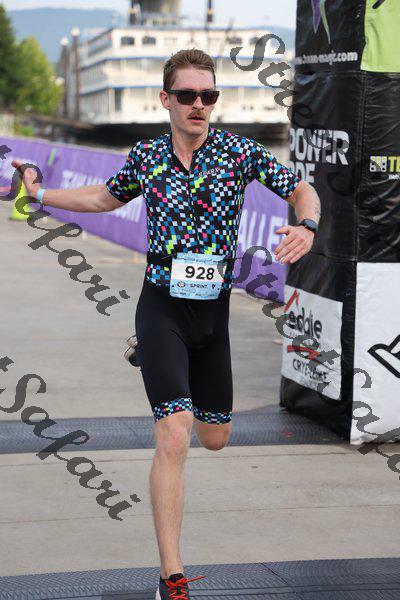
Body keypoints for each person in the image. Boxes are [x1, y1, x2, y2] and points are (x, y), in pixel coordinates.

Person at [12, 48, 321, 600]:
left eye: (209, 95)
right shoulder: (147, 156)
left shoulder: (241, 154)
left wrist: (308, 224)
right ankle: (171, 577)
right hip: (161, 306)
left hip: (212, 314)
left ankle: (155, 355)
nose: (199, 104)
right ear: (166, 100)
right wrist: (40, 194)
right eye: (188, 95)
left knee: (215, 437)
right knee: (174, 435)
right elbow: (103, 196)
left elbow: (302, 189)